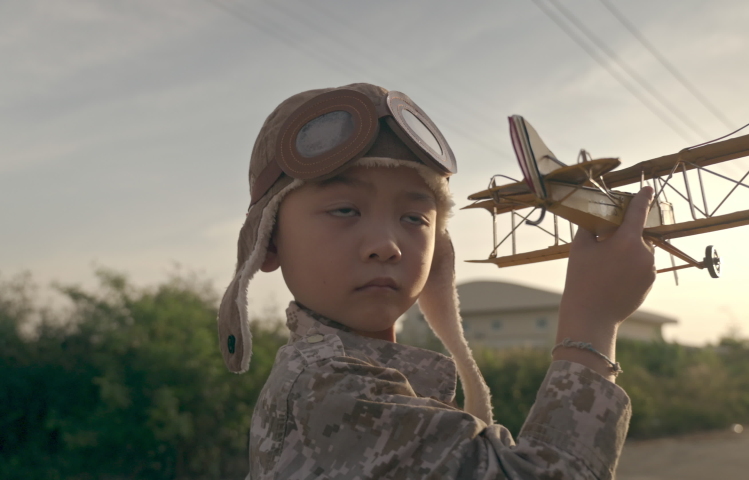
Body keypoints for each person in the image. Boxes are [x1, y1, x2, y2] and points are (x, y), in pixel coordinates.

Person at [217, 83, 656, 479]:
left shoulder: (355, 378)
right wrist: (592, 322)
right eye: (345, 210)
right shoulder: (331, 388)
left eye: (414, 218)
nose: (387, 245)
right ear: (267, 242)